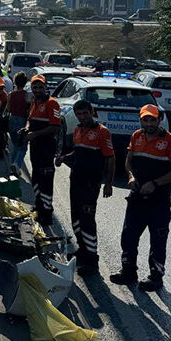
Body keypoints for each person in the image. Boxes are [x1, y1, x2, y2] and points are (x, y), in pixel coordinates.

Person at [109, 104, 171, 291]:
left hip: (159, 201)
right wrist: (130, 176)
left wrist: (155, 183)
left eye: (152, 120)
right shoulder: (137, 136)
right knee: (128, 236)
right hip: (137, 198)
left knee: (158, 240)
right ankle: (128, 272)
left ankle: (156, 278)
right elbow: (128, 160)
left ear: (159, 120)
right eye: (145, 119)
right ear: (141, 120)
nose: (149, 123)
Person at [55, 99, 115, 274]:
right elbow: (78, 152)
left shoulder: (102, 132)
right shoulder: (77, 130)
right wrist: (64, 158)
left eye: (85, 113)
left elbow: (110, 158)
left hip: (91, 183)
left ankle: (92, 260)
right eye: (79, 114)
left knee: (87, 221)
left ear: (92, 111)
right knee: (76, 217)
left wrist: (108, 183)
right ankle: (82, 250)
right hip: (76, 179)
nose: (82, 117)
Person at [17, 74, 62, 226]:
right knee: (36, 176)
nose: (37, 89)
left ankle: (47, 214)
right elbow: (30, 120)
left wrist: (35, 134)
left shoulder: (52, 103)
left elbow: (55, 127)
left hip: (46, 147)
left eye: (40, 87)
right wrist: (26, 128)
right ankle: (39, 206)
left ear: (45, 87)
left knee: (45, 180)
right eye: (34, 87)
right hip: (35, 146)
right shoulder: (34, 101)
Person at [7, 72, 30, 175]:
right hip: (22, 120)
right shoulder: (26, 95)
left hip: (12, 119)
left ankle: (13, 166)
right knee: (23, 146)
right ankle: (16, 164)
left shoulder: (10, 94)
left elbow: (8, 109)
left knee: (15, 145)